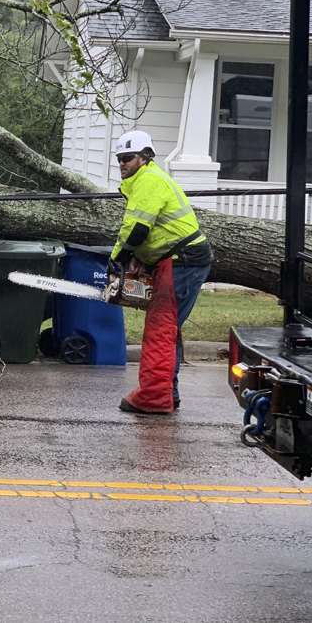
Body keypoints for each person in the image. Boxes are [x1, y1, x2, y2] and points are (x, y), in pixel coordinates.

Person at [110, 130, 213, 414]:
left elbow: (138, 229)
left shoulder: (149, 180)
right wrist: (135, 259)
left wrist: (118, 259)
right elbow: (147, 231)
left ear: (145, 158)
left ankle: (154, 398)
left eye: (128, 158)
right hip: (175, 259)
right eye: (119, 159)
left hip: (183, 260)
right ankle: (169, 392)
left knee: (161, 329)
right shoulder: (144, 181)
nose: (122, 164)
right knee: (168, 329)